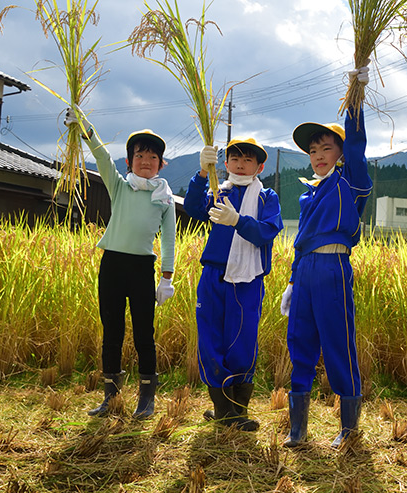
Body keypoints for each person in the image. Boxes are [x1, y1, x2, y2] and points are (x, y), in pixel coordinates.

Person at [280, 65, 373, 449]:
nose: (319, 155)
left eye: (326, 148)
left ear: (340, 153)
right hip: (305, 273)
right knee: (299, 342)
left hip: (334, 267)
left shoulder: (351, 181)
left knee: (338, 343)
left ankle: (349, 429)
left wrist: (356, 96)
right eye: (313, 151)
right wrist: (290, 280)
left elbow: (355, 145)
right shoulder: (308, 194)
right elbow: (300, 241)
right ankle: (297, 429)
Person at [64, 109, 176, 420]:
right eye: (139, 155)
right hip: (112, 266)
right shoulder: (120, 187)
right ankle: (110, 398)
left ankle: (146, 400)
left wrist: (166, 278)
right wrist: (86, 128)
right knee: (111, 331)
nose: (145, 161)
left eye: (153, 157)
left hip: (142, 269)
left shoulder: (165, 199)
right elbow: (101, 157)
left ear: (161, 164)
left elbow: (169, 240)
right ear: (129, 161)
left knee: (144, 334)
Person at [184, 137, 283, 431]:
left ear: (259, 166)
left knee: (242, 341)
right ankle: (222, 410)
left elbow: (266, 232)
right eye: (235, 159)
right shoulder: (217, 191)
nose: (241, 164)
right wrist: (202, 173)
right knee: (210, 338)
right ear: (225, 163)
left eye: (248, 160)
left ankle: (238, 411)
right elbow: (192, 208)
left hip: (248, 279)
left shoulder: (267, 197)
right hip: (214, 274)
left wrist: (237, 220)